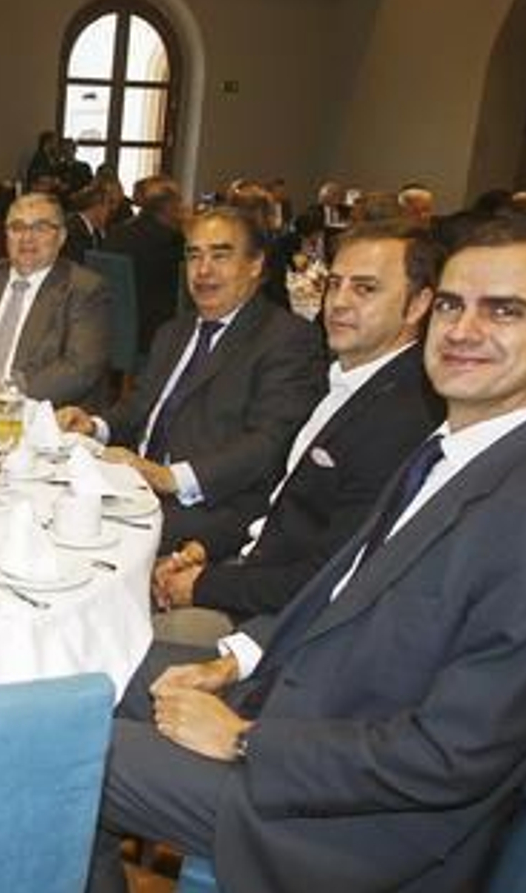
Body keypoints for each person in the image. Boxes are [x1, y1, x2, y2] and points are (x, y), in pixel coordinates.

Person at [70, 212, 526, 893]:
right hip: (312, 712)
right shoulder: (459, 448)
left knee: (60, 757)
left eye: (505, 310)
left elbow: (452, 757)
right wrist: (232, 664)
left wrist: (244, 739)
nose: (464, 331)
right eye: (453, 304)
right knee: (83, 684)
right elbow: (339, 592)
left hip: (365, 834)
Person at [149, 220, 444, 644]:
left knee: (113, 645)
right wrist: (204, 549)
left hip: (279, 625)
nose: (338, 303)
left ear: (418, 305)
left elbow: (332, 576)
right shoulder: (350, 381)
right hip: (245, 564)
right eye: (335, 284)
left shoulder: (402, 416)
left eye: (365, 289)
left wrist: (203, 584)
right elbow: (284, 500)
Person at [61, 207, 325, 555]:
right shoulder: (174, 331)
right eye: (194, 255)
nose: (203, 270)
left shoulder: (287, 339)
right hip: (132, 488)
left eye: (220, 255)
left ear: (255, 264)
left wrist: (168, 477)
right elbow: (139, 405)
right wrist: (95, 427)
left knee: (76, 539)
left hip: (209, 507)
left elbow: (268, 444)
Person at [0, 192, 110, 407]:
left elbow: (79, 368)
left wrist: (4, 395)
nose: (27, 238)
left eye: (40, 228)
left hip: (33, 412)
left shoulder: (84, 290)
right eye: (17, 227)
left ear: (61, 237)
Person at [104, 175, 186, 349]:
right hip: (153, 332)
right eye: (179, 201)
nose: (183, 206)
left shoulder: (117, 232)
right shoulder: (170, 242)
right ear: (168, 206)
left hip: (112, 324)